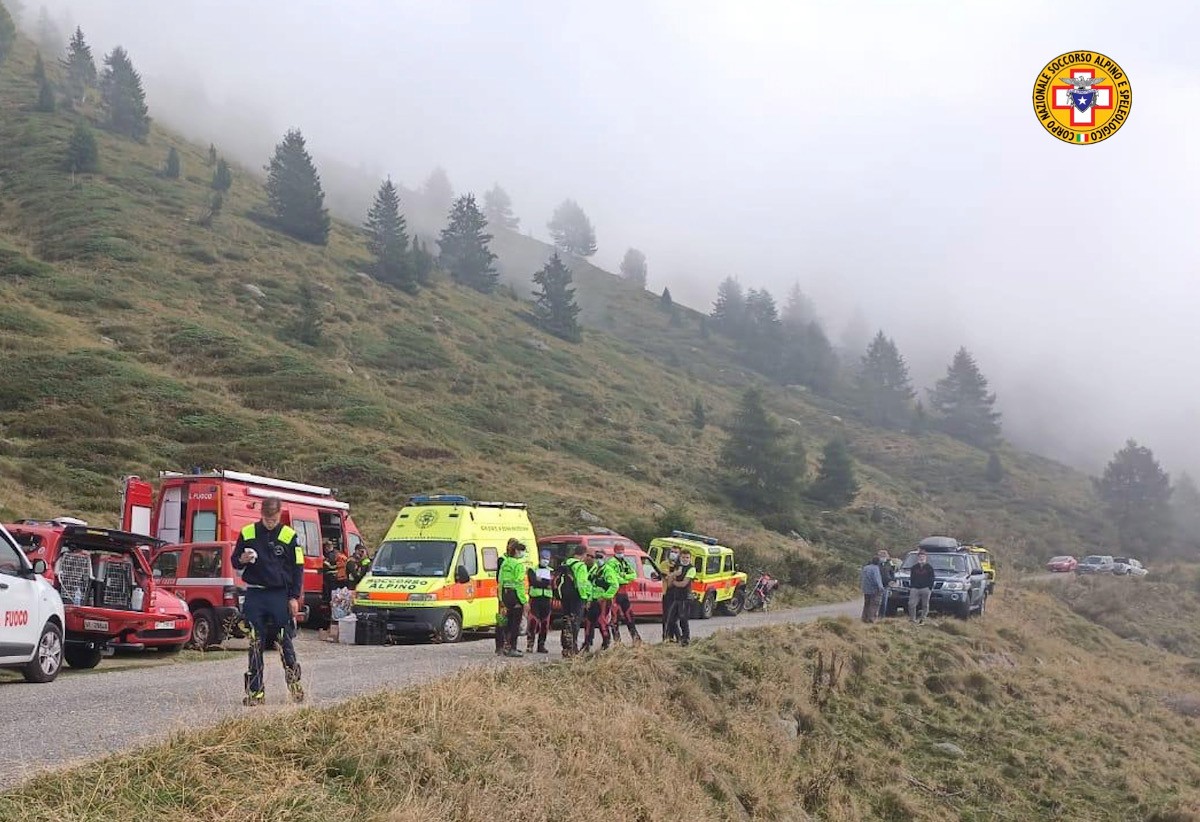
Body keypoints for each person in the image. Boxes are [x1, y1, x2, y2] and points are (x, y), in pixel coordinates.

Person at [231, 496, 304, 706]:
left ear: (279, 515)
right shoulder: (248, 533)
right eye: (266, 518)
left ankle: (295, 686)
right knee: (255, 642)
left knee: (284, 641)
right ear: (261, 514)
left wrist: (293, 597)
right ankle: (255, 693)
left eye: (273, 519)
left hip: (279, 594)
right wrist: (242, 560)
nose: (270, 522)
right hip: (255, 594)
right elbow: (234, 560)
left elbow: (298, 568)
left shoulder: (290, 536)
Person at [555, 544, 593, 658]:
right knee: (575, 622)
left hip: (565, 596)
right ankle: (573, 648)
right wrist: (585, 598)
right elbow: (582, 584)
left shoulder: (566, 563)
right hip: (576, 597)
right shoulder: (580, 566)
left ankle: (565, 648)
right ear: (584, 554)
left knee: (566, 621)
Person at [583, 550, 620, 652]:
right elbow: (590, 586)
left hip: (603, 601)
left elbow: (614, 585)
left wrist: (605, 596)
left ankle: (606, 642)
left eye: (600, 557)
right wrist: (589, 600)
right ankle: (587, 643)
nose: (598, 560)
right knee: (589, 622)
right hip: (594, 599)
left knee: (601, 621)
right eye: (597, 557)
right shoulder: (595, 570)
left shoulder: (608, 570)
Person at [497, 539, 528, 657]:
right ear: (516, 551)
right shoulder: (519, 565)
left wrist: (501, 598)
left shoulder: (505, 563)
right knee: (516, 623)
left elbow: (500, 581)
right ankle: (512, 648)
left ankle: (506, 647)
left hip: (505, 594)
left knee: (507, 622)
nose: (523, 554)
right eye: (522, 551)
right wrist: (524, 601)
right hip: (515, 596)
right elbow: (519, 584)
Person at [609, 543, 641, 645]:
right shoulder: (611, 563)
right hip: (615, 593)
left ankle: (635, 638)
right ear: (615, 551)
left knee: (629, 615)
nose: (620, 553)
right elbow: (614, 578)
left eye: (622, 551)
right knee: (615, 617)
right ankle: (617, 641)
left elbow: (633, 574)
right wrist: (625, 579)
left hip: (624, 593)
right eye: (619, 551)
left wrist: (624, 577)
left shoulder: (625, 562)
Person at [525, 549, 554, 654]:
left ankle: (541, 645)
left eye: (547, 559)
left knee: (545, 624)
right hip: (535, 599)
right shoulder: (532, 569)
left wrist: (540, 581)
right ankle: (530, 645)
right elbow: (533, 582)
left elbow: (552, 584)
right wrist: (545, 583)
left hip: (546, 600)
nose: (545, 561)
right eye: (543, 558)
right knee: (533, 622)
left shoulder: (551, 571)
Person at [666, 551, 696, 646]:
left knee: (683, 619)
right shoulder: (677, 567)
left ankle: (686, 639)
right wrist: (673, 574)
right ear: (680, 557)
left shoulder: (691, 569)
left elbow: (683, 584)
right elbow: (669, 584)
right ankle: (676, 638)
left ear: (690, 558)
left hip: (685, 597)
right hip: (676, 597)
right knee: (670, 619)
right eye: (683, 557)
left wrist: (673, 579)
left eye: (687, 557)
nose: (685, 559)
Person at [908, 550, 935, 624]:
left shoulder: (929, 567)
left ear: (926, 557)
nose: (921, 558)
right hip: (915, 588)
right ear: (918, 557)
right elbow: (912, 578)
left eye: (923, 556)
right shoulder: (914, 567)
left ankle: (923, 619)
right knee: (911, 604)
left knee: (925, 605)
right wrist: (912, 586)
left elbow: (932, 578)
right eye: (920, 556)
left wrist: (929, 588)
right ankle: (912, 619)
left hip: (925, 588)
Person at [660, 548, 681, 641]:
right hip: (666, 592)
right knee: (666, 616)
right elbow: (666, 577)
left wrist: (672, 575)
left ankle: (678, 638)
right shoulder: (664, 564)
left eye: (676, 552)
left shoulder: (680, 565)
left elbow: (678, 577)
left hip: (677, 594)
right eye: (672, 552)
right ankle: (666, 637)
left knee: (673, 617)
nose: (673, 554)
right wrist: (673, 574)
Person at [860, 555, 884, 624]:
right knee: (874, 604)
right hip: (874, 589)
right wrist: (881, 588)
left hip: (866, 588)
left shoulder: (865, 568)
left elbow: (862, 577)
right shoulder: (875, 569)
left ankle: (864, 618)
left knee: (866, 603)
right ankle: (871, 618)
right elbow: (877, 579)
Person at [876, 549, 895, 619]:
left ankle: (882, 616)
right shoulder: (876, 564)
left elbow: (892, 573)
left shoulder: (889, 563)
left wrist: (892, 580)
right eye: (881, 556)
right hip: (877, 585)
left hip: (886, 585)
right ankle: (875, 615)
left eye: (884, 556)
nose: (883, 558)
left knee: (884, 602)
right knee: (877, 601)